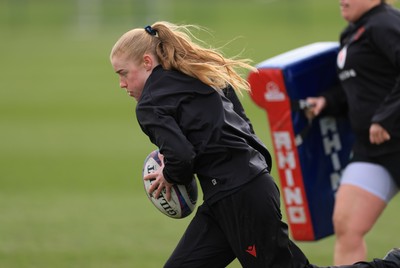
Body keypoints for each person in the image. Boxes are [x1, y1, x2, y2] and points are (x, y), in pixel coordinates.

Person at [110, 21, 400, 268]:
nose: (122, 84)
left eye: (123, 73)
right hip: (236, 191)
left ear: (147, 62)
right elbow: (239, 117)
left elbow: (182, 159)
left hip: (240, 197)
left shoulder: (149, 103)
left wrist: (168, 175)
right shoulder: (193, 72)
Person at [306, 0, 400, 265]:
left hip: (394, 137)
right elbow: (363, 90)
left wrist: (386, 117)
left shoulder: (385, 23)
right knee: (347, 225)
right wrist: (327, 102)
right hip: (372, 149)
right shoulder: (353, 32)